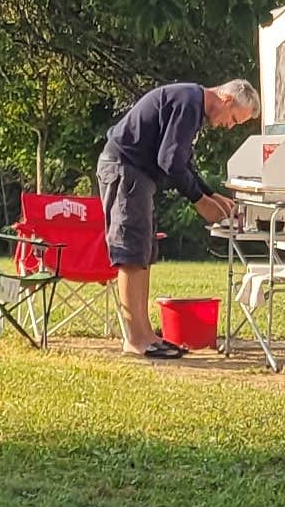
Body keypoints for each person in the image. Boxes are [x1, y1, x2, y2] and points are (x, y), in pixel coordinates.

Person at [96, 75, 257, 357]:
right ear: (226, 99)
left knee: (143, 253)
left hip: (139, 175)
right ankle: (135, 339)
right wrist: (199, 201)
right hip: (125, 169)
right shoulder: (188, 103)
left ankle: (146, 334)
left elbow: (182, 161)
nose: (228, 126)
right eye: (233, 118)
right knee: (131, 253)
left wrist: (210, 194)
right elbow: (169, 162)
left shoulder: (191, 104)